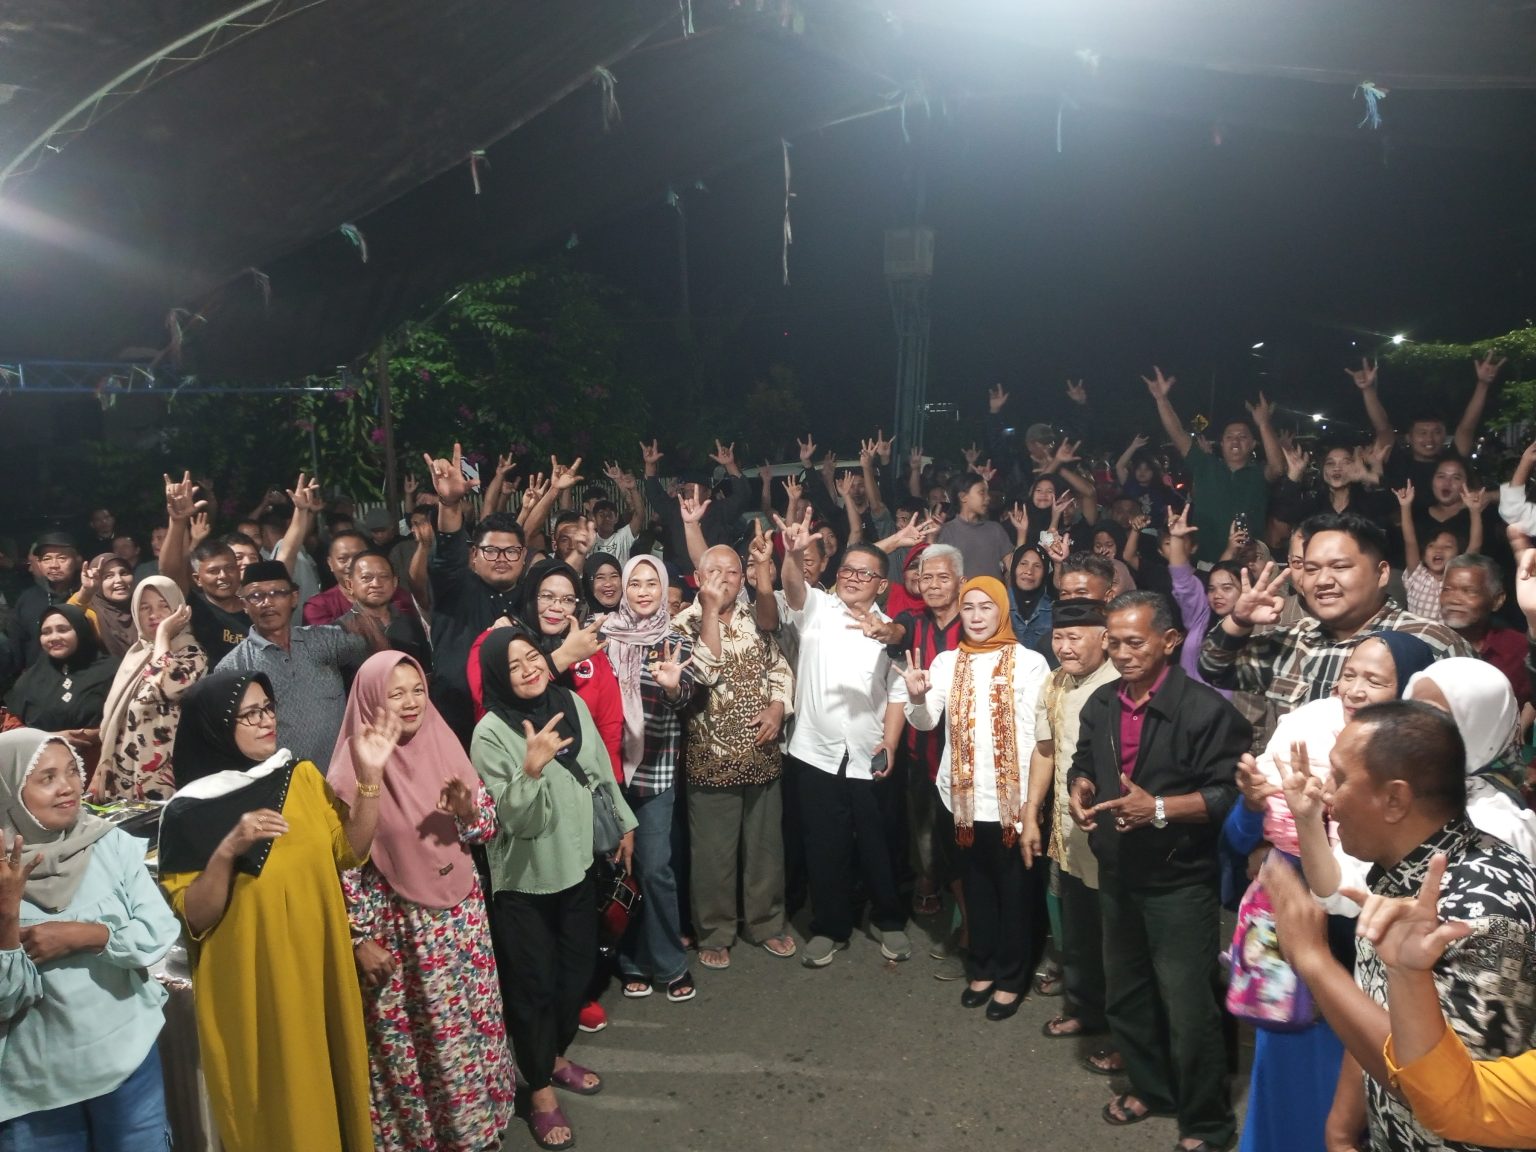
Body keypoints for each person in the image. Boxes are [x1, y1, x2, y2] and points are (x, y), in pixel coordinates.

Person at [1263, 700, 1536, 1152]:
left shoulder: (1482, 914)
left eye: (1340, 777)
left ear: (1395, 800)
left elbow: (1448, 1097)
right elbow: (1384, 1011)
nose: (1326, 792)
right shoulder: (1408, 872)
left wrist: (1313, 959)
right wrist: (1341, 1126)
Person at [158, 669, 400, 1152]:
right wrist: (229, 849)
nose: (266, 720)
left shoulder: (300, 776)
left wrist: (369, 779)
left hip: (318, 966)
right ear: (216, 725)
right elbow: (196, 917)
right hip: (255, 984)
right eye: (249, 713)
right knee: (279, 1107)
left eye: (267, 707)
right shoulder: (188, 812)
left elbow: (349, 851)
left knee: (329, 1087)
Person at [1224, 632, 1434, 1152]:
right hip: (1292, 943)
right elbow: (1239, 841)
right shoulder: (1304, 729)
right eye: (1350, 674)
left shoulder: (1422, 770)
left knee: (1347, 1103)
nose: (1355, 690)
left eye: (1375, 680)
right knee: (1281, 1090)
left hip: (1365, 951)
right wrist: (1253, 807)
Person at [1066, 591, 1250, 1150]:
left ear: (1170, 641)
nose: (1121, 653)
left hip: (1178, 881)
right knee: (1126, 992)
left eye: (1134, 642)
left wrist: (1162, 809)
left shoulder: (1204, 710)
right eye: (1114, 642)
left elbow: (1229, 794)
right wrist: (1082, 784)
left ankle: (1207, 1122)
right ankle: (1152, 1088)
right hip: (1119, 871)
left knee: (1189, 1004)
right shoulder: (1102, 704)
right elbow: (1082, 759)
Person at [332, 653, 515, 1152]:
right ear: (371, 700)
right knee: (422, 1042)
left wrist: (465, 811)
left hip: (462, 923)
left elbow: (485, 830)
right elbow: (344, 864)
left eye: (417, 689)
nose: (411, 702)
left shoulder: (442, 737)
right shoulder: (355, 763)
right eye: (395, 694)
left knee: (471, 1030)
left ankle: (478, 1132)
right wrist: (359, 938)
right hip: (402, 932)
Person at [471, 627, 637, 1152]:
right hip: (527, 879)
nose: (527, 668)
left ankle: (555, 1056)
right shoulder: (490, 732)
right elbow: (515, 821)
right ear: (498, 674)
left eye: (532, 656)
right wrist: (531, 768)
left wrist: (625, 824)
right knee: (534, 985)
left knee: (575, 973)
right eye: (514, 663)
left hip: (579, 863)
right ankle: (538, 1090)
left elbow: (598, 773)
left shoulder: (567, 700)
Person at [0, 729, 180, 1150]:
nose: (67, 788)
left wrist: (87, 935)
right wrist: (8, 914)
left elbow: (157, 931)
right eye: (46, 778)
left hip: (127, 1062)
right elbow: (6, 999)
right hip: (37, 1087)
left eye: (71, 772)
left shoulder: (108, 842)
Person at [904, 576, 1049, 1019]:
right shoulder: (948, 661)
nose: (978, 616)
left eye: (987, 607)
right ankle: (982, 965)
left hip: (1014, 800)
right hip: (962, 800)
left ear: (1002, 610)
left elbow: (1036, 736)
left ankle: (1011, 975)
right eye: (969, 608)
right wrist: (915, 697)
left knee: (1016, 889)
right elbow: (929, 722)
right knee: (977, 886)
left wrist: (1032, 804)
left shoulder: (1029, 663)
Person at [1200, 511, 1472, 746]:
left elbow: (1481, 751)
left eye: (1339, 567)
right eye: (1311, 569)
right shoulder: (1291, 640)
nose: (1323, 580)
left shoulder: (1432, 643)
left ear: (1383, 573)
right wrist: (1239, 621)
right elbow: (1214, 668)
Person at [778, 509, 911, 968]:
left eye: (866, 573)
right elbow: (793, 588)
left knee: (879, 841)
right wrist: (793, 553)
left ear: (881, 584)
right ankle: (830, 926)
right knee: (824, 843)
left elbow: (897, 693)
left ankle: (889, 918)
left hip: (870, 754)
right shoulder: (817, 609)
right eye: (849, 570)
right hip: (815, 753)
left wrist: (891, 744)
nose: (854, 578)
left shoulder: (890, 628)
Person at [1340, 855, 1536, 1146]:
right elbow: (1459, 1103)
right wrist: (1408, 974)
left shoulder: (1492, 902)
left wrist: (1312, 957)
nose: (1331, 807)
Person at [673, 544, 797, 969]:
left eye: (731, 571)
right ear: (697, 577)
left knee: (765, 849)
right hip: (711, 759)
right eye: (714, 571)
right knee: (713, 854)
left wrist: (779, 707)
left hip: (761, 755)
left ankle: (765, 923)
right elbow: (702, 673)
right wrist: (708, 611)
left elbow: (780, 668)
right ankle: (715, 931)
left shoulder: (755, 619)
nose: (724, 579)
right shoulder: (680, 625)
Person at [1024, 598, 1121, 1054]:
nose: (1064, 647)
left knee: (1120, 935)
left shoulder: (1122, 685)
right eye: (1059, 637)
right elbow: (1044, 750)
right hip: (1067, 830)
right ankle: (1084, 1009)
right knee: (1079, 927)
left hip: (1115, 833)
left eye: (1075, 637)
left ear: (1104, 638)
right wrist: (1030, 813)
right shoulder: (1054, 683)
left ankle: (1127, 1034)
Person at [600, 555, 698, 1002]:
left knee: (656, 868)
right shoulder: (601, 634)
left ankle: (670, 962)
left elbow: (689, 701)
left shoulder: (674, 638)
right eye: (633, 583)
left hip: (655, 772)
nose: (642, 591)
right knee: (616, 872)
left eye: (651, 584)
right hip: (606, 775)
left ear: (663, 591)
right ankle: (628, 959)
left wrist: (675, 686)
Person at [422, 443, 538, 740]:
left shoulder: (534, 600)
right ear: (473, 555)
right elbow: (447, 554)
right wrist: (448, 505)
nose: (501, 558)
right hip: (454, 729)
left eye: (511, 551)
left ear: (524, 556)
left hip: (518, 732)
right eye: (491, 551)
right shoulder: (456, 586)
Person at [216, 560, 378, 766]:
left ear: (294, 598)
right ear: (244, 605)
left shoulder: (325, 640)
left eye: (277, 593)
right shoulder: (233, 667)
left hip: (341, 777)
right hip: (282, 788)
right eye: (256, 596)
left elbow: (379, 648)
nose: (267, 602)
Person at [1405, 658, 1536, 864]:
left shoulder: (1494, 825)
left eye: (1436, 717)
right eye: (1411, 710)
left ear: (1482, 728)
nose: (1412, 727)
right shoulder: (1399, 782)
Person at [94, 577, 206, 800]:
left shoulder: (191, 654)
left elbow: (162, 685)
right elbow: (116, 721)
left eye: (164, 606)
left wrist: (164, 634)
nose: (153, 614)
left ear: (179, 610)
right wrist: (102, 765)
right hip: (125, 775)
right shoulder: (136, 655)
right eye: (144, 608)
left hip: (168, 781)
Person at [1144, 367, 1281, 549]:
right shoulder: (1205, 465)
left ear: (1253, 444)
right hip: (1206, 562)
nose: (1235, 441)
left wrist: (1263, 424)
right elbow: (1178, 434)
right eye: (1229, 437)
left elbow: (1278, 467)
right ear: (1222, 443)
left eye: (1242, 437)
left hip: (1247, 562)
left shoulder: (1259, 473)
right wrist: (1162, 400)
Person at [3, 606, 118, 757]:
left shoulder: (113, 671)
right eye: (46, 632)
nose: (54, 637)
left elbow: (130, 721)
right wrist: (52, 738)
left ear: (81, 631)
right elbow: (12, 730)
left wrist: (99, 734)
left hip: (103, 765)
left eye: (63, 629)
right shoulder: (29, 680)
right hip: (46, 767)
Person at [1438, 553, 1531, 707]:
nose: (1454, 599)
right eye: (1447, 589)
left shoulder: (1518, 648)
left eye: (1469, 591)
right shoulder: (1425, 643)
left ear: (1497, 600)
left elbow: (1531, 700)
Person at [339, 552, 432, 674]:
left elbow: (426, 674)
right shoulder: (339, 631)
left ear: (394, 583)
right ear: (350, 585)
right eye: (366, 578)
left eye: (384, 577)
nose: (376, 584)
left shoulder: (412, 624)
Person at [12, 532, 82, 667]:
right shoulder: (28, 598)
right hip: (39, 680)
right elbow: (17, 646)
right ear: (39, 563)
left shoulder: (88, 594)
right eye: (47, 559)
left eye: (62, 558)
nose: (54, 565)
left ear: (77, 560)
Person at [937, 472, 1013, 580]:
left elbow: (1013, 568)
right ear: (963, 497)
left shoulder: (995, 529)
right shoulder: (947, 531)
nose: (988, 498)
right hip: (961, 596)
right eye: (982, 493)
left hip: (994, 596)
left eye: (987, 493)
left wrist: (1022, 533)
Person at [71, 554, 137, 658]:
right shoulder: (91, 614)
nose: (119, 580)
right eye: (108, 576)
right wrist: (85, 591)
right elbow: (65, 620)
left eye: (124, 573)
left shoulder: (143, 608)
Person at [1007, 544, 1053, 656]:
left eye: (1037, 566)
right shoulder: (999, 605)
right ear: (1014, 567)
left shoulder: (1052, 609)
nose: (1029, 571)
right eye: (1023, 564)